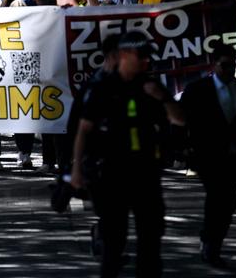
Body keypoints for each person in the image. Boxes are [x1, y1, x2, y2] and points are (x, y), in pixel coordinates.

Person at [71, 32, 184, 278]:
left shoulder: (151, 86)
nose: (146, 62)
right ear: (123, 56)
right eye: (140, 57)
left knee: (151, 241)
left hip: (147, 174)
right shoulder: (103, 87)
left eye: (147, 57)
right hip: (113, 173)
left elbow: (179, 119)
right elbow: (83, 129)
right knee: (114, 243)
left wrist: (163, 98)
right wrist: (76, 170)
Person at [180, 42, 236, 267]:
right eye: (224, 66)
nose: (229, 70)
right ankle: (211, 244)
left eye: (232, 66)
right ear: (214, 65)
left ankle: (213, 238)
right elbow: (182, 121)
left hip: (231, 155)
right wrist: (181, 148)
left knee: (229, 203)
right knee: (216, 197)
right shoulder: (197, 90)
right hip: (205, 155)